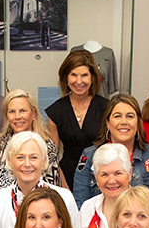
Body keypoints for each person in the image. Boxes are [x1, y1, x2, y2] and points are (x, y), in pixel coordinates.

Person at [72, 94, 149, 204]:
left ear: (138, 124)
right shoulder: (90, 156)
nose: (124, 122)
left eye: (130, 116)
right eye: (117, 116)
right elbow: (81, 204)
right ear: (108, 123)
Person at [0, 131, 82, 228]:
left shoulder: (64, 198)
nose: (27, 164)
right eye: (20, 157)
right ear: (10, 161)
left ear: (44, 161)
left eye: (33, 157)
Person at [45, 49, 108, 185]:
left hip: (101, 176)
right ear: (66, 77)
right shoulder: (55, 111)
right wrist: (64, 188)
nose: (79, 81)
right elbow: (52, 157)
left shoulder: (106, 108)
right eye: (73, 75)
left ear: (92, 77)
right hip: (67, 177)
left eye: (84, 75)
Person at [0, 90, 65, 187]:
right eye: (12, 111)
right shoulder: (0, 144)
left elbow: (52, 188)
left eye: (23, 111)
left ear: (33, 113)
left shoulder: (47, 146)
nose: (17, 117)